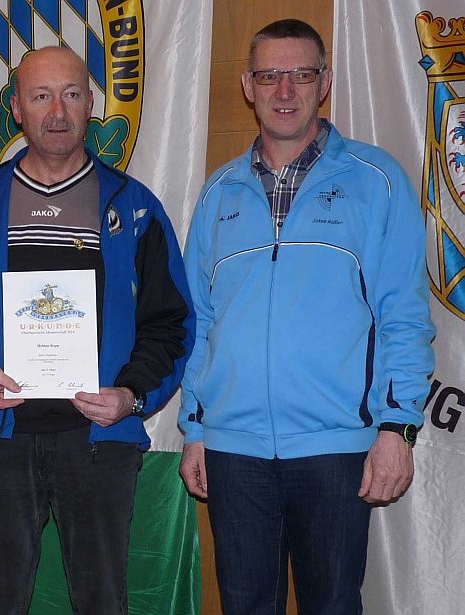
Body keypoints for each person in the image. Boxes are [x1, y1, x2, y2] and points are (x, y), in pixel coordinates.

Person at [0, 46, 194, 615]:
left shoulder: (134, 206)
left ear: (90, 104)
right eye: (41, 96)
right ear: (17, 109)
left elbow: (171, 323)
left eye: (71, 94)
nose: (58, 111)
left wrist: (131, 395)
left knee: (102, 601)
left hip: (98, 446)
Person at [178, 19, 435, 615]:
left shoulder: (377, 181)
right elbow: (199, 323)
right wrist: (196, 429)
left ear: (325, 83)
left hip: (336, 449)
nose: (285, 90)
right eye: (270, 75)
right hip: (234, 450)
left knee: (332, 606)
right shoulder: (219, 192)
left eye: (301, 74)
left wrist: (397, 429)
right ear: (248, 85)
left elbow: (403, 315)